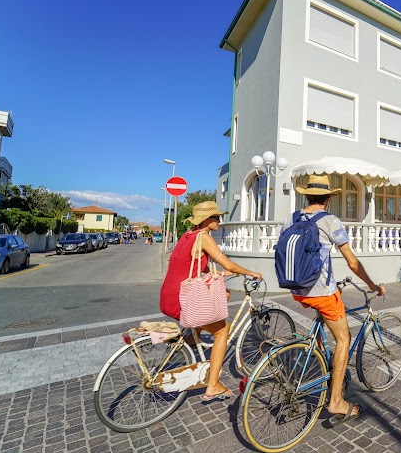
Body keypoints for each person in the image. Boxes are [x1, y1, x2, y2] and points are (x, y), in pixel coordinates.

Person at [280, 174, 386, 425]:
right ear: (329, 198)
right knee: (343, 339)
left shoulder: (290, 218)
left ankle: (321, 362)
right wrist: (372, 285)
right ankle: (337, 400)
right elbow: (351, 262)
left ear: (306, 195)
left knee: (322, 322)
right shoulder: (330, 220)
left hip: (296, 288)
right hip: (321, 291)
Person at [160, 201, 262, 400]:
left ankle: (189, 340)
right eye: (216, 217)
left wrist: (216, 274)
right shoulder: (203, 237)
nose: (219, 220)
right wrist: (252, 272)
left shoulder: (187, 235)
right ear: (207, 220)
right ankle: (213, 385)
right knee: (223, 330)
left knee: (221, 296)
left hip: (169, 295)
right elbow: (227, 263)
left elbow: (191, 263)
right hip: (183, 300)